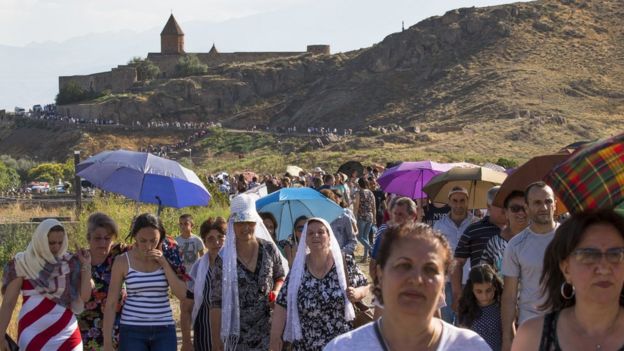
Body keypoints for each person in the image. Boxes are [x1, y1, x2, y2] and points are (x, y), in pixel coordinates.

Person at [324, 222, 490, 350]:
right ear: (380, 274)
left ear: (443, 282)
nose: (416, 279)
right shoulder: (343, 348)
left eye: (430, 269)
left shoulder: (471, 346)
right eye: (403, 266)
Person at [512, 209, 624, 350]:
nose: (604, 268)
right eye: (589, 256)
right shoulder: (533, 337)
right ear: (566, 269)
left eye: (615, 254)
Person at [270, 218, 369, 351]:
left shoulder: (344, 262)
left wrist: (358, 293)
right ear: (305, 239)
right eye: (310, 233)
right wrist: (275, 336)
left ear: (329, 237)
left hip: (341, 344)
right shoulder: (298, 269)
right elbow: (282, 304)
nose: (315, 235)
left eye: (321, 232)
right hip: (306, 345)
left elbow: (366, 286)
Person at [209, 194, 288, 351]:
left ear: (256, 222)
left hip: (269, 331)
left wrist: (276, 291)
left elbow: (280, 275)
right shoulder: (224, 259)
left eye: (249, 222)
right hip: (238, 336)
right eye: (240, 222)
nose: (245, 227)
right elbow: (216, 302)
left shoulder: (268, 249)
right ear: (232, 224)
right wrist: (216, 339)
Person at [0, 219, 92, 350]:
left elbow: (85, 297)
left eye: (60, 242)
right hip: (32, 335)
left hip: (67, 335)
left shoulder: (70, 263)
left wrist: (86, 265)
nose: (56, 247)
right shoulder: (22, 263)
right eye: (51, 243)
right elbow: (8, 303)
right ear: (40, 241)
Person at [103, 213, 189, 351]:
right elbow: (111, 302)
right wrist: (107, 341)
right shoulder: (122, 261)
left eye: (153, 240)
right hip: (131, 329)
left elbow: (182, 294)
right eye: (143, 240)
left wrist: (165, 264)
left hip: (164, 328)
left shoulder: (171, 254)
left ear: (160, 236)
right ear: (134, 236)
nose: (148, 245)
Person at [501, 182, 559, 351]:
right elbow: (510, 296)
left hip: (566, 325)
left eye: (548, 201)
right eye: (537, 202)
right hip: (531, 326)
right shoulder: (516, 245)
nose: (544, 207)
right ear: (526, 207)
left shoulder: (569, 240)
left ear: (555, 204)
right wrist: (507, 338)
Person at [452, 186, 507, 312]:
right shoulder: (474, 230)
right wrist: (457, 293)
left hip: (512, 297)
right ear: (489, 207)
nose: (505, 209)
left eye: (506, 204)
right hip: (481, 299)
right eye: (500, 205)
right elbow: (457, 262)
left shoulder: (517, 230)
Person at [433, 186, 476, 323]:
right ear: (449, 202)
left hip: (468, 279)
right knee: (444, 321)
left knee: (463, 321)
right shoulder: (440, 225)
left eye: (462, 200)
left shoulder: (475, 224)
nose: (458, 204)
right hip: (446, 280)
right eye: (455, 200)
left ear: (467, 201)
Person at [184, 217, 227, 351]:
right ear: (204, 243)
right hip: (204, 330)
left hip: (229, 328)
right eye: (211, 239)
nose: (217, 242)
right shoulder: (198, 268)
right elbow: (187, 306)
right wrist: (186, 341)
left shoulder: (235, 265)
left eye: (220, 237)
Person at [458, 264, 503, 351]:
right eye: (479, 291)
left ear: (495, 287)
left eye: (488, 290)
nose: (484, 296)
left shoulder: (501, 306)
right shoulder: (467, 307)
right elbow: (462, 337)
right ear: (472, 289)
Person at [481, 191, 528, 274]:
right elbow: (484, 274)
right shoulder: (494, 243)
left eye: (525, 208)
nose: (521, 212)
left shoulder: (538, 239)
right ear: (506, 212)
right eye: (515, 209)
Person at [320, 189, 358, 256]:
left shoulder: (344, 217)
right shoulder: (318, 220)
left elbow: (353, 241)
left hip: (341, 259)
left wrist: (340, 253)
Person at [353, 178, 376, 262]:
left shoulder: (358, 193)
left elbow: (356, 207)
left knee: (359, 237)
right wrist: (374, 217)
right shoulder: (371, 193)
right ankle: (365, 257)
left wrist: (354, 217)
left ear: (359, 184)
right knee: (365, 237)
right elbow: (374, 206)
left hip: (362, 217)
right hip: (370, 216)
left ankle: (371, 249)